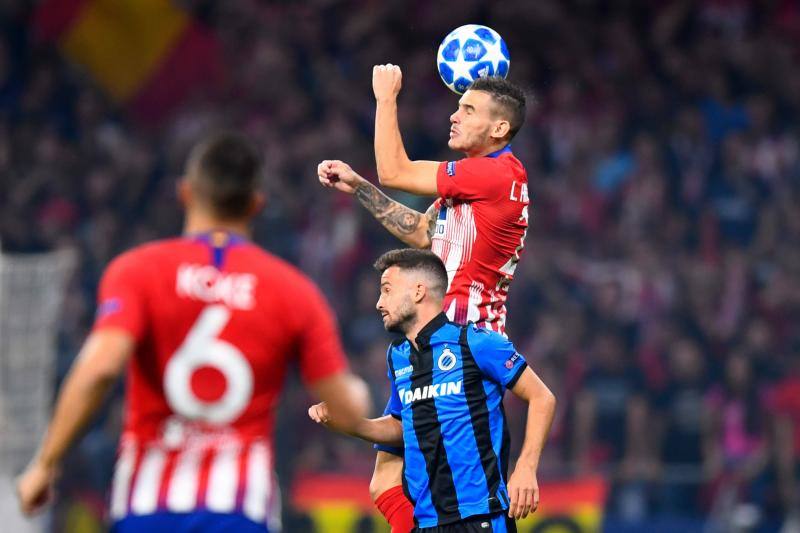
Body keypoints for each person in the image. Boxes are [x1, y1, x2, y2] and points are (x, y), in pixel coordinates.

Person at [16, 133, 370, 532]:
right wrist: (355, 395)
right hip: (239, 509)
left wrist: (46, 465)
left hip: (147, 506)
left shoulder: (137, 271)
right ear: (256, 205)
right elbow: (344, 409)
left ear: (185, 194)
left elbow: (99, 370)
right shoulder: (293, 291)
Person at [317, 66, 529, 531]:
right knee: (385, 481)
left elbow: (396, 170)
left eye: (467, 109)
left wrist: (386, 97)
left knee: (455, 490)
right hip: (429, 339)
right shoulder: (472, 190)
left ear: (498, 128)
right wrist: (359, 187)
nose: (453, 116)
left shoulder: (493, 174)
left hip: (464, 344)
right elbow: (420, 232)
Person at [308, 249, 556, 532]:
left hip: (481, 518)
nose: (379, 303)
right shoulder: (398, 357)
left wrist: (526, 466)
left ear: (418, 291)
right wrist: (350, 423)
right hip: (426, 523)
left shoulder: (475, 343)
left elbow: (541, 397)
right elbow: (402, 427)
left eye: (387, 290)